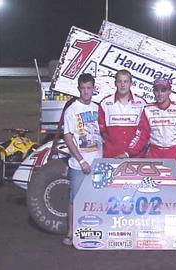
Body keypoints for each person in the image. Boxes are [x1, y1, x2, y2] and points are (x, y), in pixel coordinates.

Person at [121, 78, 176, 173]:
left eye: (163, 90)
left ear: (169, 91)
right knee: (150, 185)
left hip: (173, 154)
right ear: (153, 91)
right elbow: (141, 136)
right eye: (157, 90)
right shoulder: (148, 110)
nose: (160, 93)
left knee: (172, 185)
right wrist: (128, 153)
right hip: (153, 153)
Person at [62, 73, 102, 245]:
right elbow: (68, 138)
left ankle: (96, 230)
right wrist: (81, 160)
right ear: (79, 89)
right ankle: (71, 232)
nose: (86, 91)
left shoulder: (98, 108)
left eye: (89, 88)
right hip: (79, 164)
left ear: (94, 89)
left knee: (96, 199)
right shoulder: (72, 110)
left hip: (98, 162)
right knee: (75, 197)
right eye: (83, 88)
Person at [98, 69, 146, 158]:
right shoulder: (105, 103)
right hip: (112, 156)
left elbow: (144, 132)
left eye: (126, 81)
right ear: (115, 83)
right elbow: (102, 132)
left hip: (136, 157)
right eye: (120, 81)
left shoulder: (141, 103)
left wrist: (130, 152)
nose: (123, 85)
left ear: (131, 83)